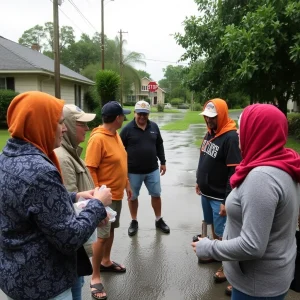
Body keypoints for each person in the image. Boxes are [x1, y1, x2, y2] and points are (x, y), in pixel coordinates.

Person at [0, 91, 112, 300]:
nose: (64, 128)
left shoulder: (7, 157)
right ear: (39, 123)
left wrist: (74, 197)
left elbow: (32, 203)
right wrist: (97, 204)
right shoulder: (40, 170)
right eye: (59, 122)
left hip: (16, 276)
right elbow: (69, 237)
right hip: (44, 284)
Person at [193, 104, 300, 300]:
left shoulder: (262, 178)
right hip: (270, 276)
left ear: (258, 133)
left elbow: (252, 245)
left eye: (243, 129)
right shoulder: (285, 162)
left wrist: (209, 247)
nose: (239, 135)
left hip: (257, 285)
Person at [85, 101, 132, 300]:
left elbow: (121, 162)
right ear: (118, 118)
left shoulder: (115, 135)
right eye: (123, 115)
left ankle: (106, 261)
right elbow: (90, 168)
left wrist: (127, 183)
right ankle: (94, 277)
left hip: (117, 195)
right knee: (101, 236)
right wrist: (98, 197)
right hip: (104, 198)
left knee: (111, 230)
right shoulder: (98, 139)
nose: (124, 118)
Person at [195, 99, 241, 286]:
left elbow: (234, 171)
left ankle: (229, 269)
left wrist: (226, 199)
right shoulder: (210, 133)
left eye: (212, 117)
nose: (208, 119)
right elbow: (203, 157)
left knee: (225, 234)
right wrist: (199, 181)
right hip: (207, 193)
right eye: (206, 116)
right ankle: (217, 254)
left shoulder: (230, 137)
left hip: (219, 196)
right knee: (214, 227)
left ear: (221, 115)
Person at [54, 104, 98, 300]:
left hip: (75, 247)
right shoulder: (63, 158)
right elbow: (69, 210)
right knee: (75, 290)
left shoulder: (71, 152)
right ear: (70, 126)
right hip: (72, 249)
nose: (87, 129)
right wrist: (97, 209)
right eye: (82, 124)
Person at [120, 100, 170, 236]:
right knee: (132, 197)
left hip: (152, 169)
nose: (142, 117)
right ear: (135, 113)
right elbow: (119, 150)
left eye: (145, 114)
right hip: (133, 171)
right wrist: (122, 172)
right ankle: (134, 221)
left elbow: (159, 144)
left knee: (156, 195)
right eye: (140, 114)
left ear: (148, 114)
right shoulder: (127, 129)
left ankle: (159, 220)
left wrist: (163, 162)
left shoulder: (154, 127)